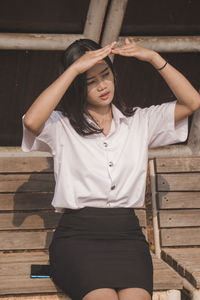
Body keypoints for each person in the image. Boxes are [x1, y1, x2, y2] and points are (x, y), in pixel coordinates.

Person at [21, 38, 200, 300]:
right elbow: (31, 120)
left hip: (128, 238)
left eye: (105, 75)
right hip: (77, 240)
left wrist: (153, 58)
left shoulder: (139, 121)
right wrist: (73, 70)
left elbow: (192, 102)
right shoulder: (61, 126)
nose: (102, 86)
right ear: (76, 87)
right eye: (90, 81)